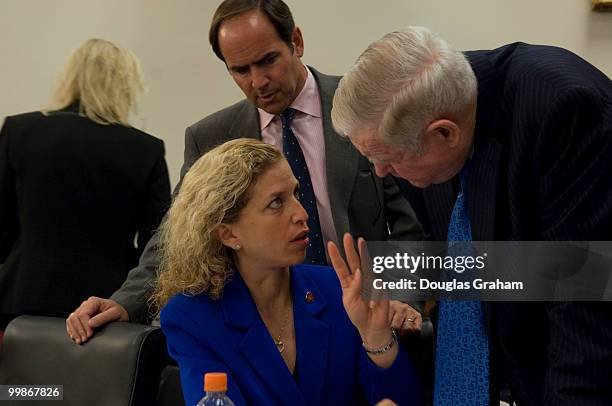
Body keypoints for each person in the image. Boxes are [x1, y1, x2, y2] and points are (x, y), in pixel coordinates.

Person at [66, 0, 422, 344]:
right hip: (266, 330)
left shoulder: (361, 106)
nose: (258, 81)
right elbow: (175, 238)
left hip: (368, 319)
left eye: (268, 61)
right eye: (241, 70)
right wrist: (125, 302)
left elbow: (409, 223)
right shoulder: (211, 138)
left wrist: (403, 297)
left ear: (295, 42)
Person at [331, 27, 612, 405]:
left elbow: (583, 301)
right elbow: (479, 278)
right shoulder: (422, 119)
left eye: (391, 159)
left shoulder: (566, 111)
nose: (382, 173)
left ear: (445, 133)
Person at [155, 138, 420, 406]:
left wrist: (376, 337)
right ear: (228, 233)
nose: (302, 213)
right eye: (276, 203)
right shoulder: (193, 317)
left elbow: (400, 401)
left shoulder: (337, 289)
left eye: (295, 194)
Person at [0, 39, 171, 331]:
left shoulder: (19, 131)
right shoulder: (146, 149)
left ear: (70, 79)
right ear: (126, 86)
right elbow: (156, 245)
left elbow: (2, 227)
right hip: (105, 309)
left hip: (23, 301)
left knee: (25, 379)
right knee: (93, 379)